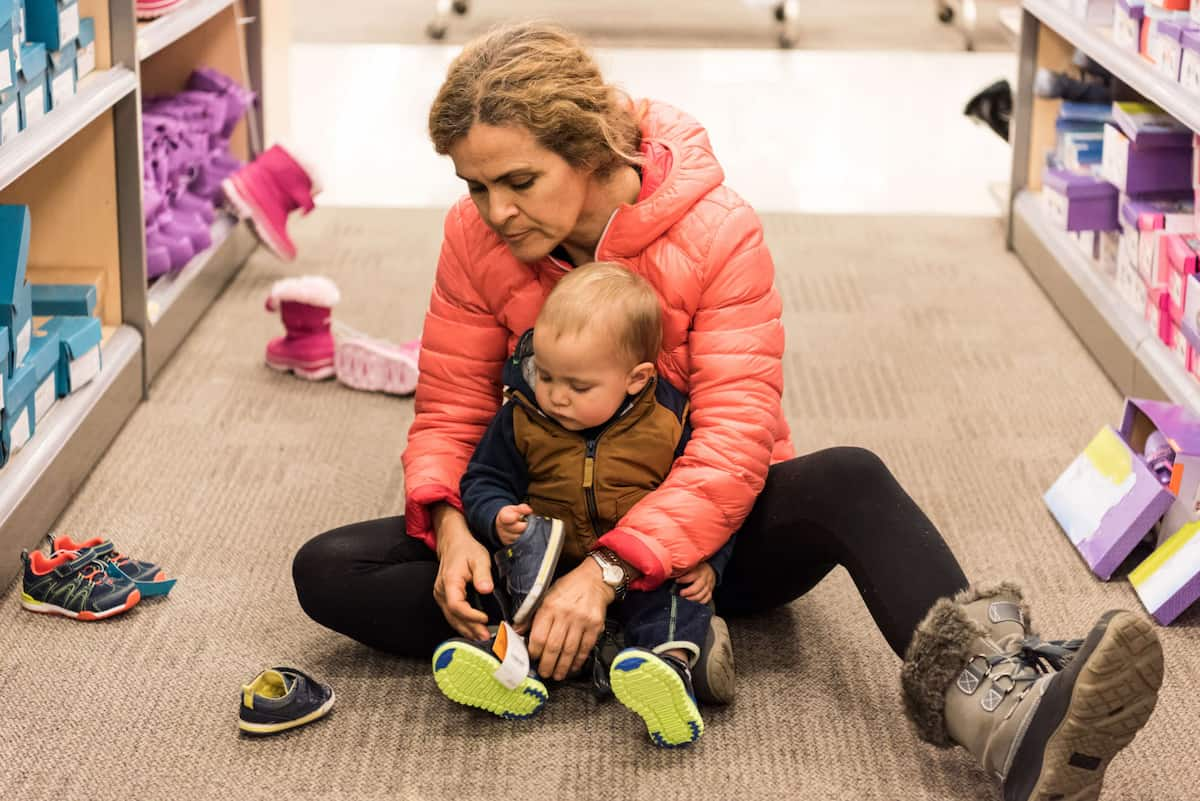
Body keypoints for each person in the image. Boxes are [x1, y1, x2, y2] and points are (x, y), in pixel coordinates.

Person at [292, 21, 1163, 796]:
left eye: (517, 180)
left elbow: (736, 442)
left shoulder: (718, 231)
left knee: (850, 479)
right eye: (474, 185)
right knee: (327, 568)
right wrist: (448, 521)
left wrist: (608, 572)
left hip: (707, 546)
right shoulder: (475, 236)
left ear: (592, 151)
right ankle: (618, 647)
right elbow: (448, 402)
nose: (493, 211)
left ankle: (1001, 703)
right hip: (546, 532)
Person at [433, 264, 733, 746]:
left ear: (636, 379)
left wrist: (710, 563)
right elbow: (482, 478)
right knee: (498, 592)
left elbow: (712, 504)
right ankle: (507, 669)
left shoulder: (670, 421)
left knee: (678, 598)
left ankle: (667, 672)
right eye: (546, 375)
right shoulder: (522, 417)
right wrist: (494, 515)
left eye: (578, 387)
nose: (556, 397)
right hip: (549, 566)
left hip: (641, 570)